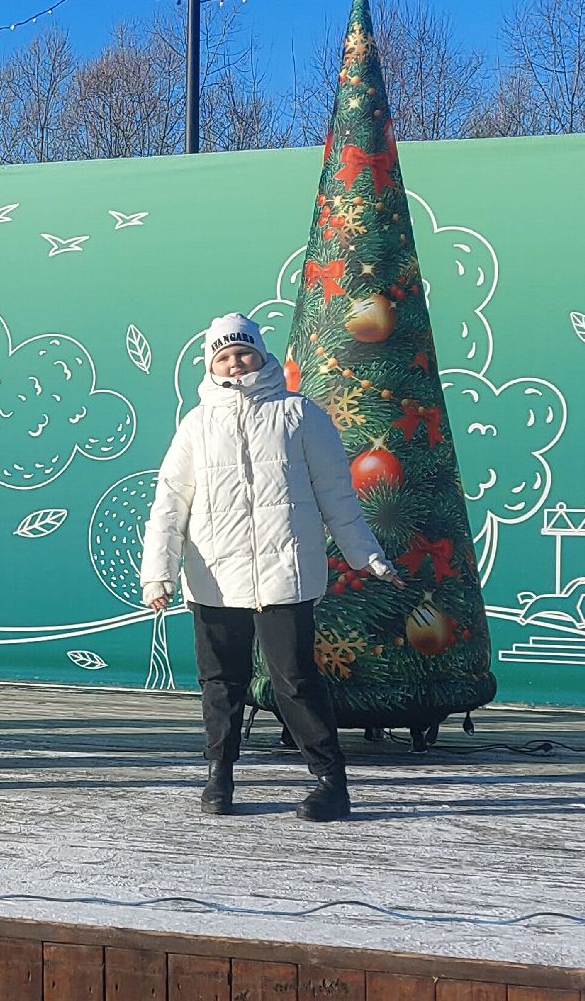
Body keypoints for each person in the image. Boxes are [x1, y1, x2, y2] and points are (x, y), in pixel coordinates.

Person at [140, 313, 401, 823]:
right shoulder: (196, 424)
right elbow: (169, 503)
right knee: (220, 682)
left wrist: (367, 555)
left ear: (261, 354)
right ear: (211, 364)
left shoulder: (301, 415)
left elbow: (336, 495)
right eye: (224, 355)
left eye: (244, 352)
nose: (235, 363)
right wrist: (159, 574)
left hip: (286, 575)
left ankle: (330, 782)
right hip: (214, 578)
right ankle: (219, 775)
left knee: (295, 680)